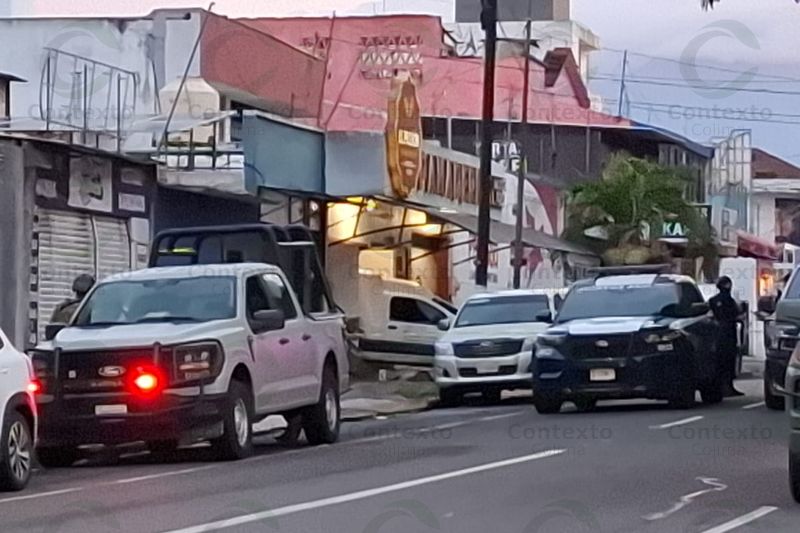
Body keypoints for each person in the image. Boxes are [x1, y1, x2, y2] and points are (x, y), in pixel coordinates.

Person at [709, 276, 744, 397]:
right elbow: (735, 314)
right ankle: (727, 386)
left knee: (721, 362)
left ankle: (724, 387)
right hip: (728, 333)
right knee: (728, 361)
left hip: (718, 334)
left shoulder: (712, 301)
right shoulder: (729, 300)